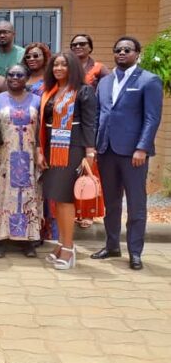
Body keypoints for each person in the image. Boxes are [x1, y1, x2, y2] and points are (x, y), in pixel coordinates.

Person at [90, 37, 163, 271]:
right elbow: (100, 115)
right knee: (111, 203)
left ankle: (135, 252)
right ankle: (112, 245)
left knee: (136, 204)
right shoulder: (104, 81)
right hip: (106, 150)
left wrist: (142, 147)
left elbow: (152, 118)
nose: (122, 53)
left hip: (134, 153)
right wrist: (93, 146)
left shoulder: (149, 80)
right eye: (118, 50)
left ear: (137, 53)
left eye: (127, 50)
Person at [37, 51, 97, 270]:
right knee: (56, 198)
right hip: (52, 148)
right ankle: (62, 243)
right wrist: (40, 150)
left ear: (73, 68)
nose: (59, 68)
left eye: (64, 65)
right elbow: (43, 123)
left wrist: (89, 153)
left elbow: (90, 123)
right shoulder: (51, 91)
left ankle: (69, 249)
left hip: (72, 150)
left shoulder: (84, 91)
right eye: (55, 65)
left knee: (65, 199)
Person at [0, 64, 43, 258]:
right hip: (4, 158)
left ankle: (28, 240)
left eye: (20, 74)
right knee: (2, 196)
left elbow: (42, 130)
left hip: (29, 157)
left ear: (27, 78)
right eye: (11, 74)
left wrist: (41, 152)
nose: (15, 77)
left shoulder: (37, 101)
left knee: (27, 197)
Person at [70, 33, 110, 229]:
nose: (78, 47)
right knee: (72, 171)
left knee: (88, 169)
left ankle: (88, 213)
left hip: (89, 123)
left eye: (82, 44)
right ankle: (72, 211)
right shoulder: (69, 68)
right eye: (74, 44)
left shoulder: (99, 68)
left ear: (90, 47)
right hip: (69, 124)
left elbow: (109, 93)